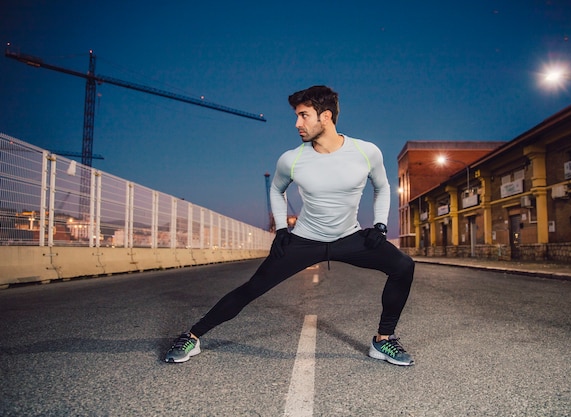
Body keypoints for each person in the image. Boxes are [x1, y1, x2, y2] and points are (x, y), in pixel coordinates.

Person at [165, 85, 415, 366]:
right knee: (253, 287)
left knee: (403, 266)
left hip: (349, 237)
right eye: (297, 116)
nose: (297, 123)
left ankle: (383, 340)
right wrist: (282, 229)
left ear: (326, 116)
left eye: (304, 115)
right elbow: (276, 190)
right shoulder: (291, 159)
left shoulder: (366, 151)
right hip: (305, 239)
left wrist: (380, 227)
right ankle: (193, 335)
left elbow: (382, 188)